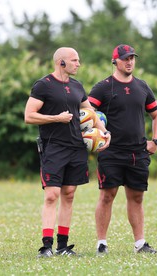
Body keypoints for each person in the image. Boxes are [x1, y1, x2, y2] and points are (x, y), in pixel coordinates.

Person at [24, 47, 111, 257]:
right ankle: (46, 246)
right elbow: (29, 115)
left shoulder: (77, 86)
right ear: (61, 62)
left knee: (69, 195)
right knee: (52, 195)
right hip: (53, 147)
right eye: (74, 60)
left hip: (76, 147)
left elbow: (90, 112)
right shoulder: (43, 85)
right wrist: (55, 118)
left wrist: (104, 131)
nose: (78, 64)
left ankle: (63, 246)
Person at [88, 44, 157, 254]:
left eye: (132, 58)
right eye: (125, 59)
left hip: (138, 152)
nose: (129, 62)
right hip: (111, 152)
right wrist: (95, 137)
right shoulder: (102, 87)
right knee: (107, 195)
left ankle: (140, 244)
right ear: (115, 61)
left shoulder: (142, 86)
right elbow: (86, 113)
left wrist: (155, 141)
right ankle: (101, 243)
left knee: (137, 197)